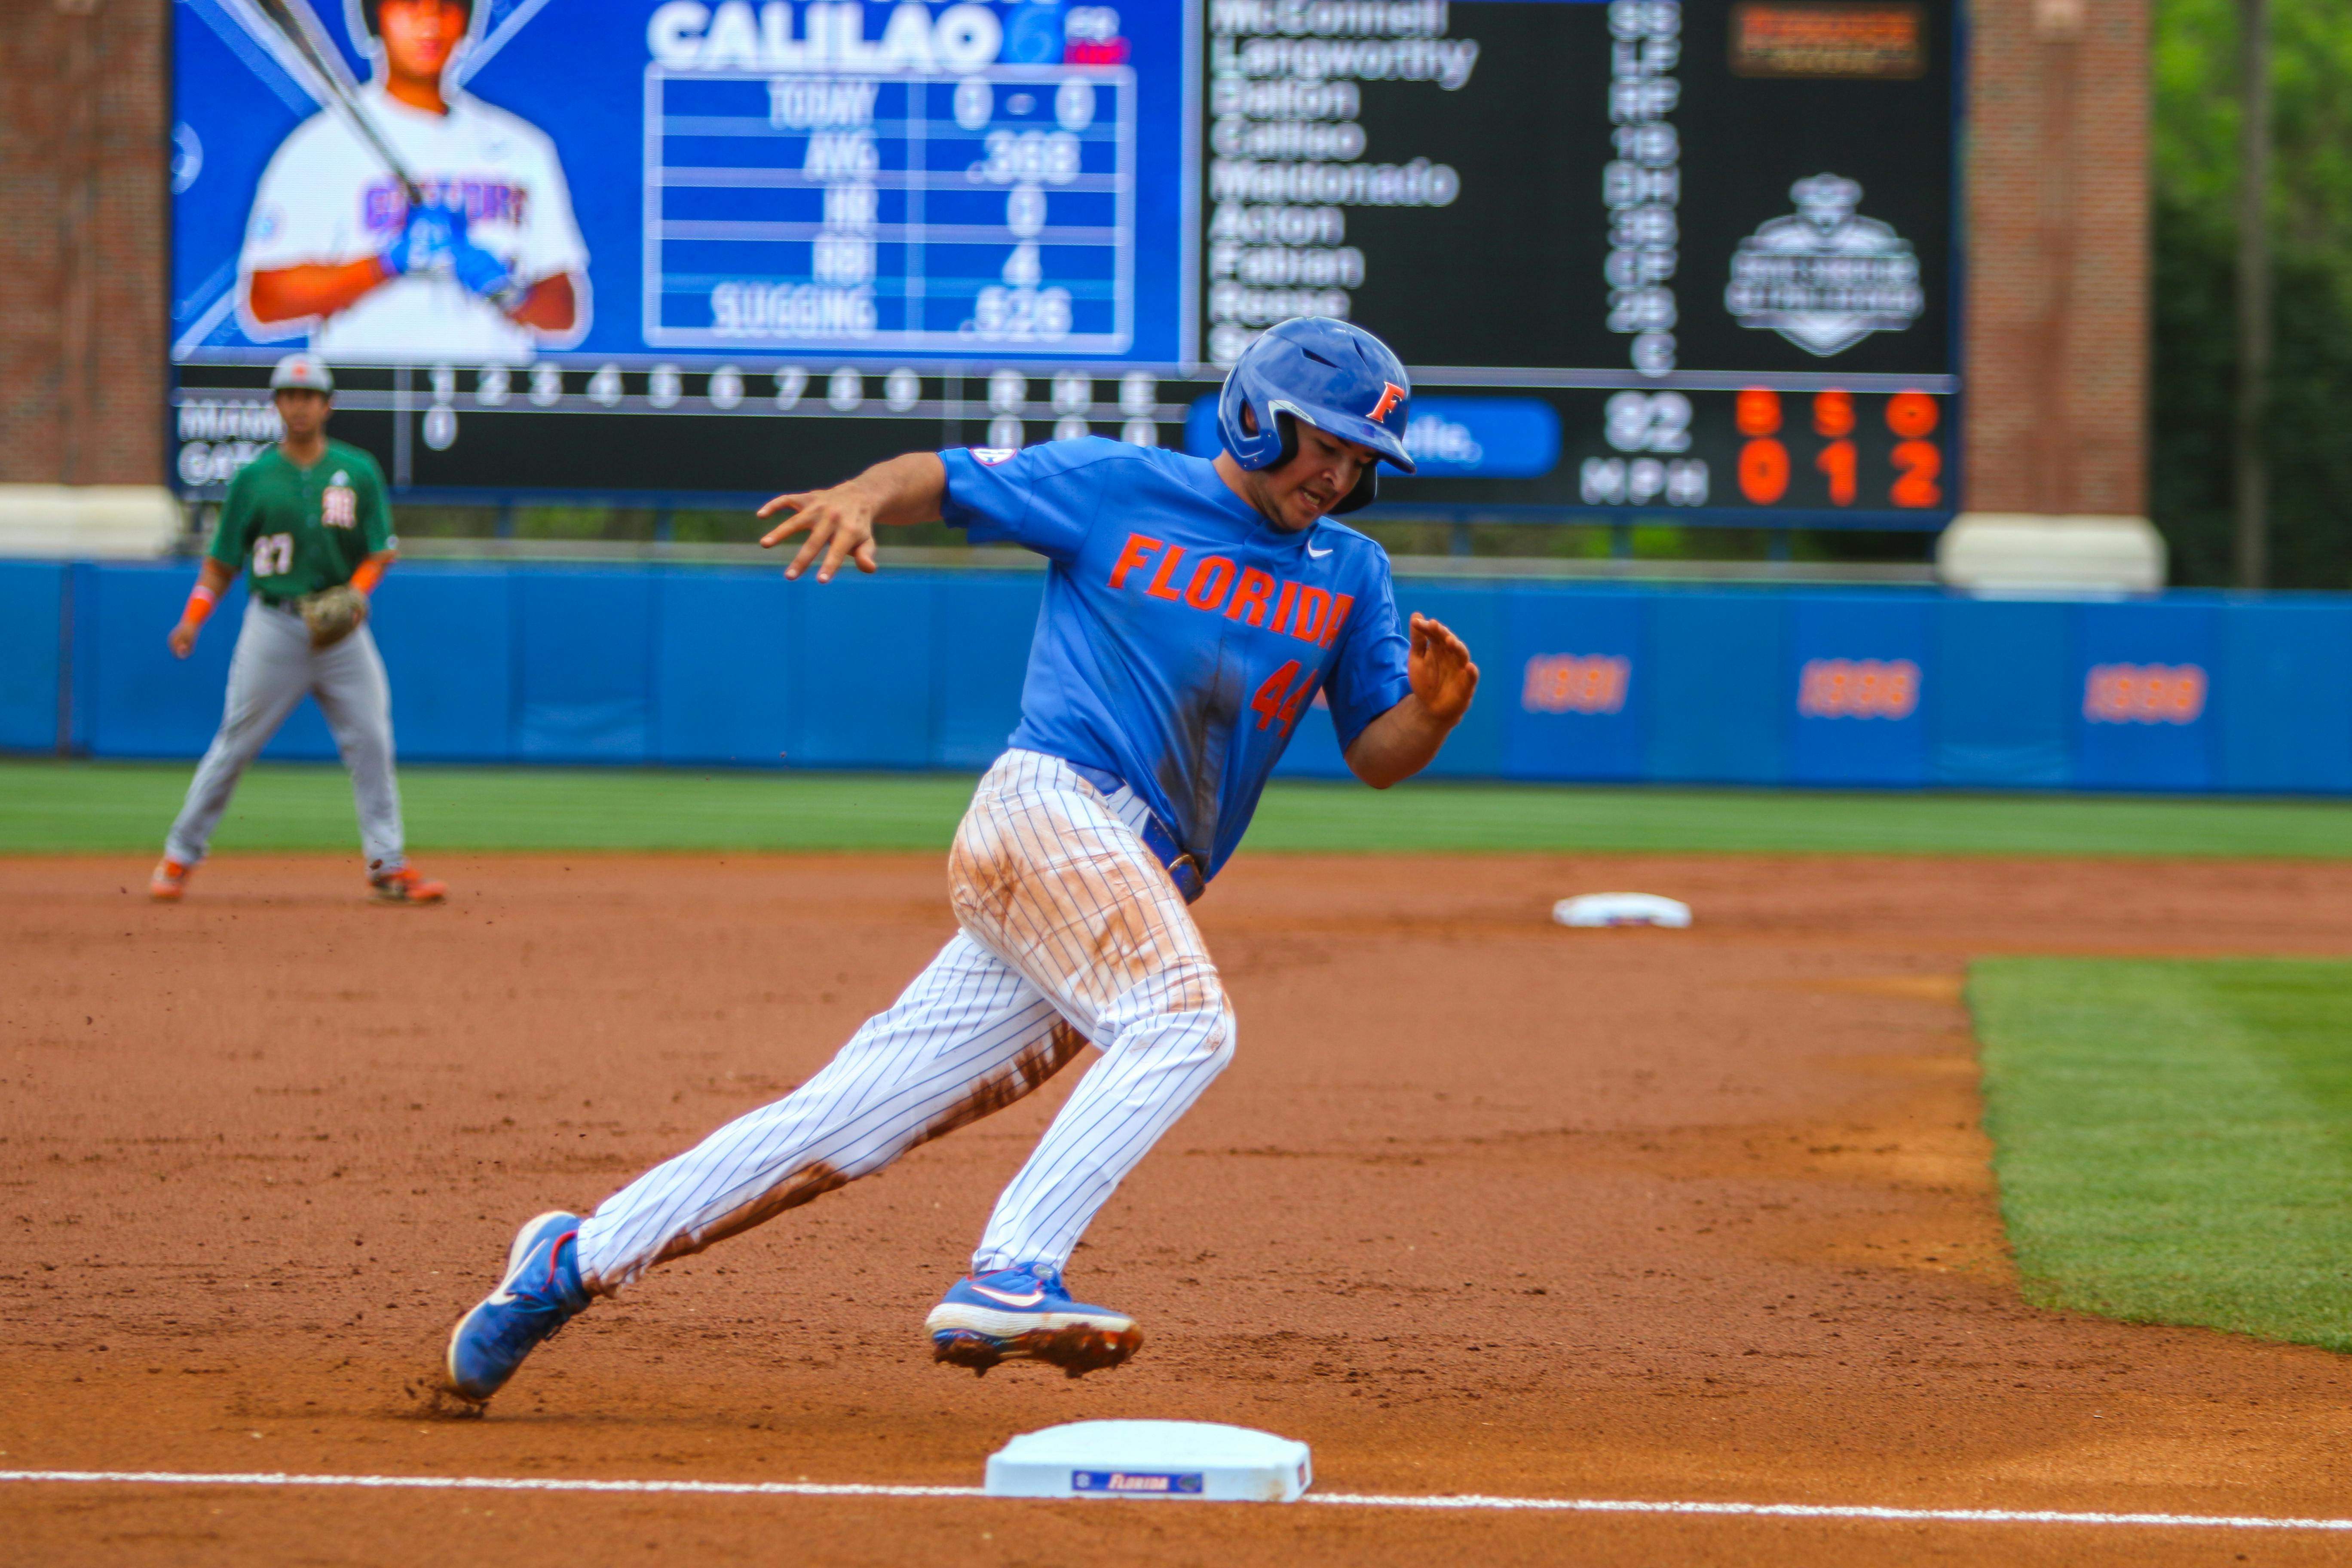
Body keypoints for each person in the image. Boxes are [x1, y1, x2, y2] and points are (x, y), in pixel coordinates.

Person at [436, 318, 1478, 1405]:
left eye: (1362, 461)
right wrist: (860, 499)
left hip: (1117, 882)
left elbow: (1374, 751)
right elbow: (941, 476)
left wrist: (1433, 718)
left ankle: (570, 1262)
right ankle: (1012, 1271)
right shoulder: (1118, 485)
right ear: (1260, 414)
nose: (1340, 472)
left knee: (851, 1117)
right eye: (1326, 443)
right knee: (1182, 1019)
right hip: (1050, 808)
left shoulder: (1351, 571)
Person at [151, 353, 447, 906]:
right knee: (235, 744)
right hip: (274, 626)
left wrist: (358, 590)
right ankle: (179, 855)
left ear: (327, 404)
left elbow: (379, 552)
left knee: (373, 741)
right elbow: (221, 564)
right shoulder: (254, 479)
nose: (300, 404)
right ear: (277, 404)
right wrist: (192, 620)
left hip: (341, 636)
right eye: (289, 395)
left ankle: (387, 863)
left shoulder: (357, 470)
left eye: (309, 396)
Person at [239, 0, 589, 361]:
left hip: (489, 399)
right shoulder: (320, 146)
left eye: (446, 7)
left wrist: (507, 291)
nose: (430, 22)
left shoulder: (521, 148)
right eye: (410, 5)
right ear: (376, 17)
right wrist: (386, 263)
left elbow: (564, 313)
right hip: (369, 397)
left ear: (467, 20)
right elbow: (265, 301)